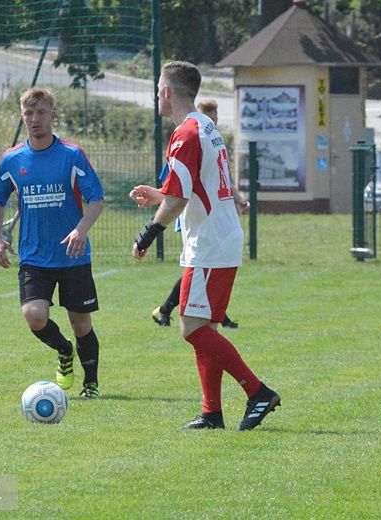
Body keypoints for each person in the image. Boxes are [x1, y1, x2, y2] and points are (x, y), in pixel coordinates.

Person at [129, 61, 280, 431]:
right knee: (205, 328)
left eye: (158, 88)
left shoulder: (187, 134)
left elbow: (179, 200)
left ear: (167, 91)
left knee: (192, 328)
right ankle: (212, 413)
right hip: (220, 237)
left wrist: (147, 233)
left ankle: (258, 392)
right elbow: (186, 189)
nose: (157, 95)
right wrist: (159, 194)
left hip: (210, 243)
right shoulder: (206, 127)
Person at [0, 87, 105, 399]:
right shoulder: (12, 159)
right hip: (34, 255)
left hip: (72, 255)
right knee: (34, 315)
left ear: (53, 116)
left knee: (81, 322)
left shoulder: (71, 155)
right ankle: (64, 351)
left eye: (41, 112)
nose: (35, 119)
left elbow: (96, 199)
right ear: (22, 117)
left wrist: (81, 230)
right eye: (29, 113)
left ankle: (90, 384)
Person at [151, 99, 249, 329]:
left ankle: (169, 309)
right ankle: (168, 308)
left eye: (216, 119)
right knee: (195, 315)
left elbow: (218, 180)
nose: (214, 122)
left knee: (197, 323)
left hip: (207, 225)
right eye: (211, 118)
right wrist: (159, 198)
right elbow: (175, 184)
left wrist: (237, 198)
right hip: (191, 217)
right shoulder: (195, 135)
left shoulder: (205, 136)